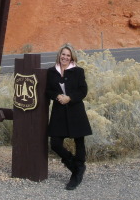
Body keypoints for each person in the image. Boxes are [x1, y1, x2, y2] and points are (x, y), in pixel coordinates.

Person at [46, 43, 92, 190]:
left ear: (71, 57)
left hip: (75, 110)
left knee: (79, 142)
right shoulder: (51, 71)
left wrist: (70, 98)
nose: (65, 57)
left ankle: (77, 173)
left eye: (68, 55)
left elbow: (83, 90)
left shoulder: (78, 71)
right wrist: (57, 95)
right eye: (63, 54)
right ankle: (75, 167)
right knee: (55, 143)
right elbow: (47, 90)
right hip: (59, 112)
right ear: (59, 55)